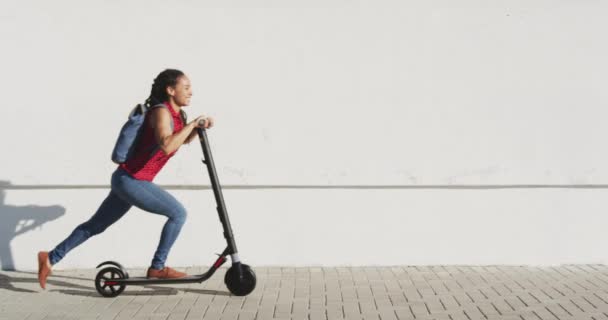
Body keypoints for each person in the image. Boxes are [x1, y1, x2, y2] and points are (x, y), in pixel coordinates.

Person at [37, 69, 213, 289]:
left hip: (127, 178)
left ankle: (50, 257)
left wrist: (197, 129)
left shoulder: (177, 115)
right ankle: (157, 268)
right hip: (133, 179)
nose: (191, 92)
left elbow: (180, 140)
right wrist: (192, 125)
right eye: (186, 88)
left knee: (95, 225)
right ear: (170, 90)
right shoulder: (161, 111)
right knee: (178, 213)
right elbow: (167, 145)